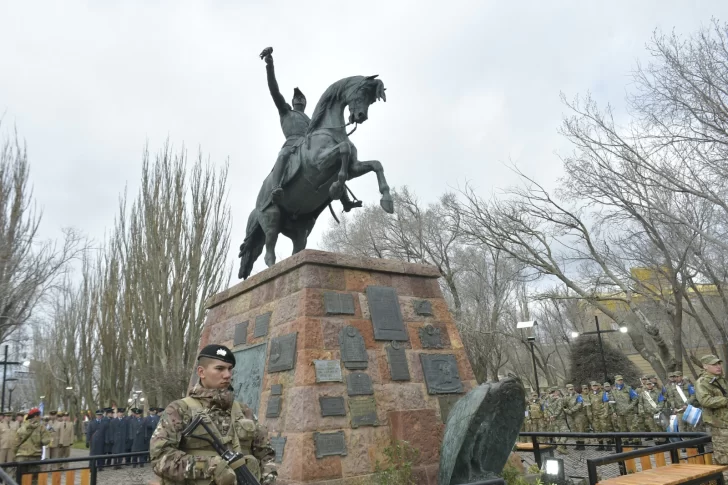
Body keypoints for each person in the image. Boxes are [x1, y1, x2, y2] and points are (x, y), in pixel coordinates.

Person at [151, 344, 274, 484]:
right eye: (219, 368)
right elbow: (161, 458)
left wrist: (268, 479)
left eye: (229, 369)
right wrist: (210, 467)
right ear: (201, 372)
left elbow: (266, 454)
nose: (227, 375)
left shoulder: (244, 411)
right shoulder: (179, 410)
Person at [258, 46, 360, 212]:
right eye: (296, 97)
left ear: (305, 103)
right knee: (283, 155)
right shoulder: (285, 111)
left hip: (310, 145)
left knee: (336, 160)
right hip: (292, 144)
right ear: (292, 101)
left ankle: (345, 200)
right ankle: (276, 188)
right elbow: (274, 90)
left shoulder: (312, 120)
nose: (299, 98)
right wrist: (270, 65)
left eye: (302, 98)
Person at [696, 354, 728, 473]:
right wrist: (725, 400)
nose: (718, 366)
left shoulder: (721, 380)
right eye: (714, 364)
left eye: (719, 363)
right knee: (723, 457)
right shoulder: (702, 382)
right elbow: (705, 400)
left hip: (726, 421)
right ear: (705, 366)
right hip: (718, 425)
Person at [14, 407, 51, 483]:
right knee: (33, 479)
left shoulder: (22, 426)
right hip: (35, 456)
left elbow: (16, 440)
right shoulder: (41, 427)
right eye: (39, 415)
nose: (40, 417)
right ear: (35, 416)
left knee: (19, 478)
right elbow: (46, 441)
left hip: (21, 457)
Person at [585, 381, 613, 450]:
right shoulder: (589, 395)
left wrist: (606, 413)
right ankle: (601, 445)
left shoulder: (603, 393)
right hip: (594, 415)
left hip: (602, 414)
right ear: (591, 387)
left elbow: (606, 403)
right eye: (593, 386)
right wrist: (590, 415)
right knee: (597, 429)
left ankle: (609, 445)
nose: (594, 387)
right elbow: (588, 405)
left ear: (598, 386)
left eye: (596, 386)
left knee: (605, 428)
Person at [611, 375, 639, 444]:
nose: (620, 381)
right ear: (616, 381)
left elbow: (635, 399)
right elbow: (612, 402)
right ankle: (625, 441)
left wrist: (630, 407)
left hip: (629, 411)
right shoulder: (613, 390)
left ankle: (636, 441)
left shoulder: (628, 389)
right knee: (622, 427)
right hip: (619, 412)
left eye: (621, 380)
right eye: (618, 380)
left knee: (632, 427)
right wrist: (614, 411)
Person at [544, 387, 569, 454]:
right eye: (557, 391)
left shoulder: (547, 400)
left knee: (557, 434)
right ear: (555, 392)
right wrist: (554, 415)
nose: (558, 392)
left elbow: (546, 409)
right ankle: (560, 447)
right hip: (559, 418)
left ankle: (560, 449)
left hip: (552, 419)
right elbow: (560, 408)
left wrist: (550, 416)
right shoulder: (559, 399)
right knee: (566, 432)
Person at [564, 384, 587, 450]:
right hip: (570, 415)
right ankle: (577, 443)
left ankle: (582, 444)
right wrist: (567, 410)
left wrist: (572, 410)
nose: (571, 390)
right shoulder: (565, 397)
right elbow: (564, 405)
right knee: (573, 429)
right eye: (570, 389)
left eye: (572, 388)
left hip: (578, 414)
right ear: (567, 390)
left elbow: (579, 404)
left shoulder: (578, 396)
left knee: (580, 428)